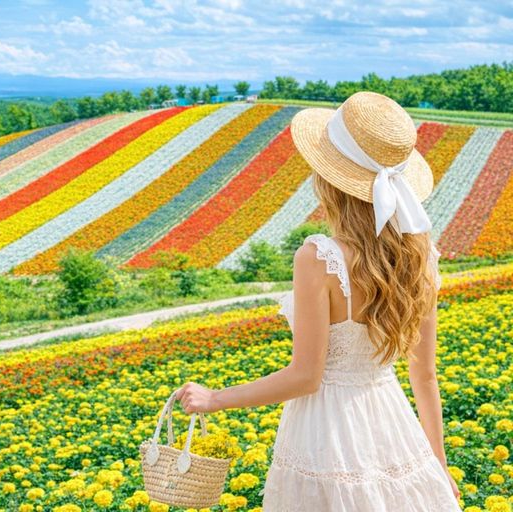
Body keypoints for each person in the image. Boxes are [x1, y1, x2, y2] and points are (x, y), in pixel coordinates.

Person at [174, 92, 461, 510]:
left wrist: (214, 398)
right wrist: (438, 461)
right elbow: (426, 375)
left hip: (327, 434)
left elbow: (306, 377)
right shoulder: (421, 258)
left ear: (329, 180)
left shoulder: (319, 258)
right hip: (393, 426)